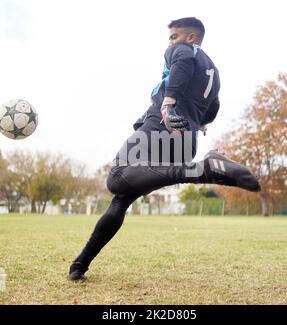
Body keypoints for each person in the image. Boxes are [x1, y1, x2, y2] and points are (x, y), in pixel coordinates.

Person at [68, 17, 260, 281]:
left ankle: (201, 170)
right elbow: (214, 108)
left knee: (116, 178)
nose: (169, 42)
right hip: (186, 139)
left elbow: (180, 65)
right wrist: (196, 122)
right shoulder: (214, 72)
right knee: (122, 199)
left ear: (191, 37)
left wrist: (168, 105)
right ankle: (80, 265)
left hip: (159, 128)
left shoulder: (181, 51)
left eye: (173, 36)